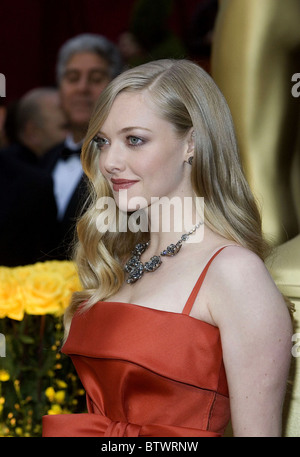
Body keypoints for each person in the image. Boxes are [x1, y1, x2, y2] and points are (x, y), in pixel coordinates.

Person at [42, 59, 293, 437]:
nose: (110, 162)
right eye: (103, 141)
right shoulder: (118, 261)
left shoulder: (233, 272)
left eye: (135, 140)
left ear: (191, 143)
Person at [41, 33, 123, 260]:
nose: (82, 88)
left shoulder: (128, 164)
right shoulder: (42, 161)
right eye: (72, 77)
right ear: (60, 89)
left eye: (95, 78)